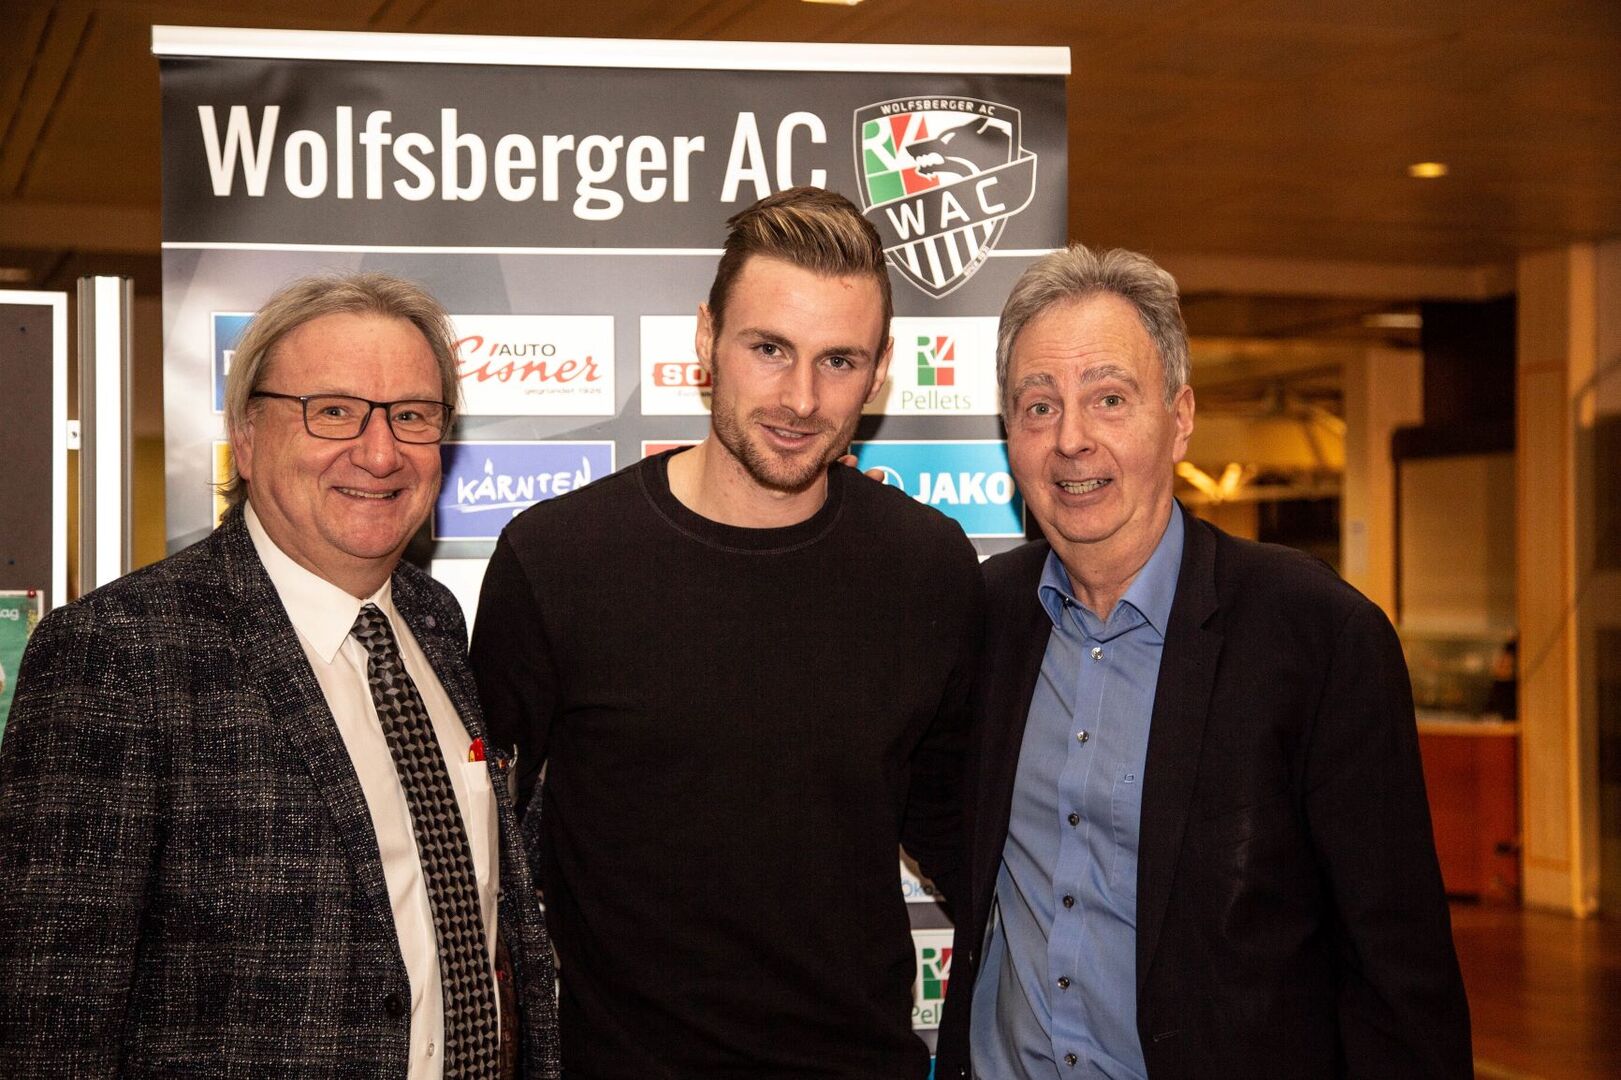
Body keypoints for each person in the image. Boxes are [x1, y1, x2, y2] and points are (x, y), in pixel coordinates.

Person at [471, 187, 981, 1079]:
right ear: (706, 339)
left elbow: (962, 833)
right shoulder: (558, 559)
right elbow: (478, 845)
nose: (800, 398)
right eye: (768, 348)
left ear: (879, 372)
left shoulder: (928, 566)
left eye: (838, 360)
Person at [0, 272, 559, 1079]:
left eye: (411, 415)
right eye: (332, 411)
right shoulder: (119, 651)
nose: (380, 452)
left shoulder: (435, 622)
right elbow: (51, 1013)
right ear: (248, 433)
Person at [934, 245, 1472, 1078]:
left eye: (1108, 399)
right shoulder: (982, 620)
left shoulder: (1317, 636)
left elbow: (1399, 972)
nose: (1070, 440)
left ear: (1179, 416)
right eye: (1038, 406)